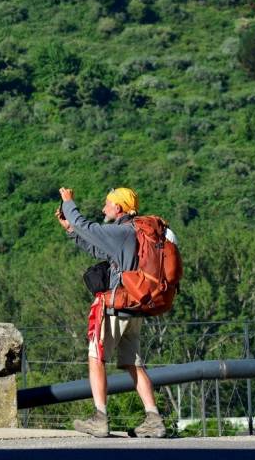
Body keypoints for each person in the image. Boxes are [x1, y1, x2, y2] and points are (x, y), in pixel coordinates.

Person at [55, 186, 166, 438]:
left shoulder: (122, 232)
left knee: (96, 356)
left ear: (118, 208)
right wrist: (70, 230)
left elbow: (89, 228)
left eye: (107, 204)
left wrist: (69, 203)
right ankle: (154, 419)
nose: (104, 208)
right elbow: (97, 248)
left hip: (117, 306)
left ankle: (100, 417)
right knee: (133, 364)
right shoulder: (136, 233)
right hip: (136, 307)